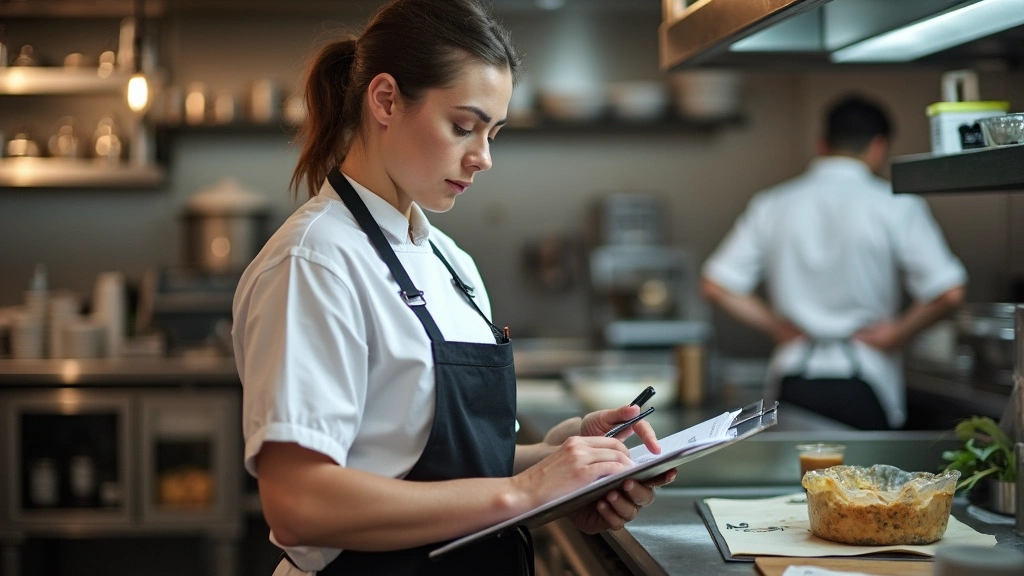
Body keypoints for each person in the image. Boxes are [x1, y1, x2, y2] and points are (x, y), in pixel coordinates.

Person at [231, 1, 676, 574]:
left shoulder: (449, 260)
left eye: (493, 132)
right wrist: (524, 492)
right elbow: (300, 505)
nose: (483, 157)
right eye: (463, 126)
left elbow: (425, 468)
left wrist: (563, 465)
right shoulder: (315, 262)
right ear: (386, 100)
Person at [700, 95, 967, 431]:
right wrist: (896, 334)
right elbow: (949, 292)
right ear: (878, 147)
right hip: (868, 376)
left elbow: (716, 284)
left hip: (793, 375)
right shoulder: (896, 204)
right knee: (867, 483)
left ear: (822, 144)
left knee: (796, 479)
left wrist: (774, 325)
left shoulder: (773, 203)